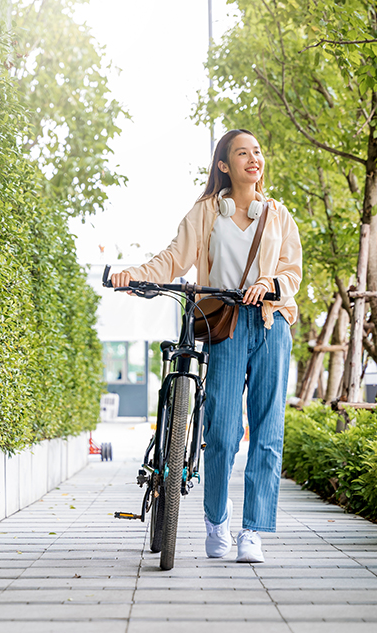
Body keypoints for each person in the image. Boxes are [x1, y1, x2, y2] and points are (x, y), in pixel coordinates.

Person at [110, 129, 302, 563]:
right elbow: (173, 257)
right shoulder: (205, 214)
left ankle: (253, 531)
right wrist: (133, 273)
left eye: (257, 151)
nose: (254, 159)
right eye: (242, 153)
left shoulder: (277, 215)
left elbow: (292, 270)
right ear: (223, 165)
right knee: (222, 432)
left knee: (268, 432)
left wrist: (271, 282)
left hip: (272, 323)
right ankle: (217, 522)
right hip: (226, 324)